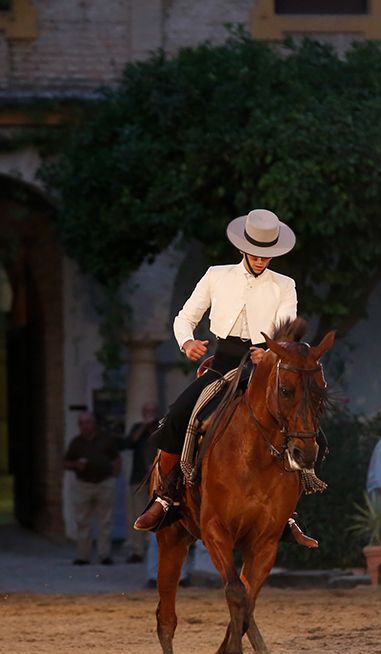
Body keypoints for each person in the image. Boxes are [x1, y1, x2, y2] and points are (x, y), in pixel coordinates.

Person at [134, 209, 299, 533]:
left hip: (264, 366)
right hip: (223, 361)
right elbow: (185, 317)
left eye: (268, 255)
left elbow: (287, 327)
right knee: (180, 414)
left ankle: (291, 511)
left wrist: (267, 351)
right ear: (242, 249)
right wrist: (187, 343)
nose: (261, 260)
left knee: (303, 426)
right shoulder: (216, 275)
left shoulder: (285, 285)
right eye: (256, 254)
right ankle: (165, 496)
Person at [64, 412, 121, 565]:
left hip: (104, 483)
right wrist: (76, 465)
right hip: (84, 484)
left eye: (87, 422)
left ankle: (105, 554)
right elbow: (66, 462)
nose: (85, 426)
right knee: (83, 521)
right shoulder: (76, 442)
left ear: (93, 423)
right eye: (81, 423)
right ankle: (83, 555)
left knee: (105, 520)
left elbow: (116, 459)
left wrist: (113, 477)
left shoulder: (105, 439)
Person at [122, 401, 160, 564]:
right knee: (137, 514)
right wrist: (144, 426)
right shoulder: (137, 428)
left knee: (157, 515)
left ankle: (156, 550)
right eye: (147, 412)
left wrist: (153, 427)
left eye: (152, 411)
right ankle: (137, 550)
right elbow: (129, 443)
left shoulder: (162, 426)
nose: (149, 415)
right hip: (139, 479)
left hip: (158, 480)